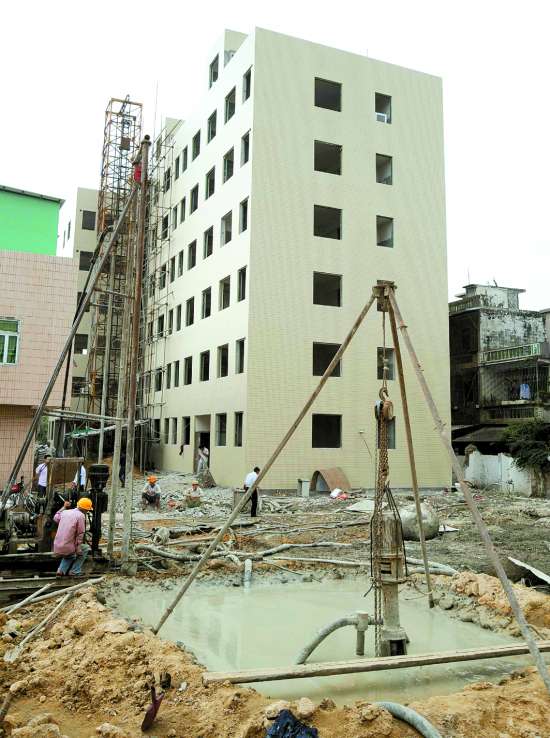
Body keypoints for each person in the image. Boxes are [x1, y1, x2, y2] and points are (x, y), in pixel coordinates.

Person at [53, 497, 92, 576]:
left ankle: (61, 571)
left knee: (69, 555)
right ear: (85, 509)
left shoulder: (65, 512)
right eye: (88, 510)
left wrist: (64, 507)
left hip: (57, 545)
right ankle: (75, 571)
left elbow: (55, 517)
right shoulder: (81, 516)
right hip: (68, 547)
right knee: (85, 548)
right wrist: (78, 549)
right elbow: (80, 534)